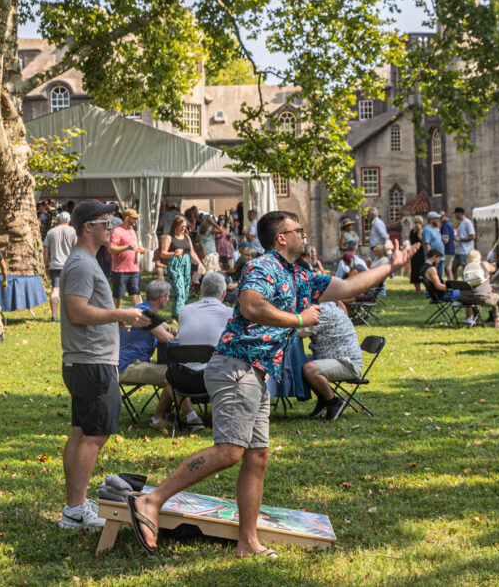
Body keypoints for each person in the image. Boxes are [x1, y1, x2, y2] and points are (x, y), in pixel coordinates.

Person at [128, 210, 416, 556]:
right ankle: (152, 500)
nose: (304, 235)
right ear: (282, 237)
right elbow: (250, 304)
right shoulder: (263, 266)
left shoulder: (300, 275)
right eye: (299, 230)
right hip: (237, 366)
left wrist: (390, 265)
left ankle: (247, 542)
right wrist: (297, 319)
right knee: (229, 451)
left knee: (257, 456)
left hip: (258, 372)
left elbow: (350, 287)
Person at [58, 200, 151, 531]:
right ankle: (75, 510)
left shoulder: (87, 261)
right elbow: (78, 312)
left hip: (86, 360)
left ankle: (75, 506)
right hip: (91, 362)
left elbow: (88, 311)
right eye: (105, 222)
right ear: (88, 227)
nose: (111, 227)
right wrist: (122, 314)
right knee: (95, 435)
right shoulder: (82, 264)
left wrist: (115, 321)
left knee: (81, 432)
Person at [117, 280, 203, 431]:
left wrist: (169, 327)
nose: (169, 299)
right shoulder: (145, 314)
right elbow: (166, 338)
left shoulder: (144, 309)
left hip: (135, 362)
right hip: (127, 366)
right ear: (162, 298)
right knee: (172, 374)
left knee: (173, 370)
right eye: (168, 296)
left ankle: (164, 414)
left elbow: (165, 327)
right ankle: (189, 418)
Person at [301, 301, 363, 419]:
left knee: (309, 369)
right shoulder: (326, 306)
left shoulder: (323, 310)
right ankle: (323, 399)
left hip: (348, 364)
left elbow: (301, 332)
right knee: (300, 361)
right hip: (331, 358)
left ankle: (333, 402)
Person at [160, 215, 205, 319]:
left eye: (185, 226)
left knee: (185, 290)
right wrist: (173, 253)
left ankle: (177, 315)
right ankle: (179, 316)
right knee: (179, 290)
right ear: (175, 226)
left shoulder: (187, 237)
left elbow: (192, 252)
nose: (184, 228)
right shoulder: (169, 237)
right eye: (182, 226)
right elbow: (162, 254)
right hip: (174, 265)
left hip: (186, 264)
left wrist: (199, 263)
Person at [108, 208, 146, 308]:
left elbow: (133, 247)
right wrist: (126, 247)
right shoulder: (117, 231)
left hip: (134, 269)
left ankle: (141, 318)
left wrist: (139, 250)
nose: (136, 221)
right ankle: (115, 319)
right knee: (117, 296)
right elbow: (111, 249)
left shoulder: (132, 230)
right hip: (120, 270)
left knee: (137, 293)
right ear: (127, 218)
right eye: (134, 218)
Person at [43, 211, 77, 322]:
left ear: (59, 220)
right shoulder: (74, 232)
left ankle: (54, 315)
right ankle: (69, 315)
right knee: (70, 291)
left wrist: (46, 265)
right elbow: (77, 249)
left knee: (55, 290)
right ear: (69, 221)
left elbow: (46, 251)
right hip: (70, 266)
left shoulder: (51, 232)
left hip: (55, 265)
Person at [460, 250, 499, 326]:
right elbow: (494, 268)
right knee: (497, 297)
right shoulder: (484, 264)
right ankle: (497, 322)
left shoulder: (466, 267)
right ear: (479, 257)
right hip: (482, 298)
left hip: (465, 298)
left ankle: (478, 320)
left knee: (475, 299)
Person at [453, 207, 476, 280]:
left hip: (466, 250)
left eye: (456, 214)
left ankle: (466, 284)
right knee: (453, 268)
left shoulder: (467, 222)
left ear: (459, 213)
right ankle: (455, 284)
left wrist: (460, 239)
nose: (455, 216)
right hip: (459, 250)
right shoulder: (460, 223)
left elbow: (473, 236)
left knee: (465, 269)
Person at [422, 211, 445, 278]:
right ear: (432, 219)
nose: (438, 220)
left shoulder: (436, 229)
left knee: (440, 277)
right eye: (437, 218)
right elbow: (427, 244)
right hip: (434, 259)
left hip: (440, 257)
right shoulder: (427, 230)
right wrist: (431, 258)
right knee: (434, 278)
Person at [408, 216, 426, 293]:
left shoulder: (411, 231)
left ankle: (417, 289)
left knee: (414, 270)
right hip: (419, 251)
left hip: (413, 251)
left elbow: (410, 241)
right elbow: (421, 239)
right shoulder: (420, 230)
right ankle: (423, 288)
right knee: (421, 269)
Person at [439, 211, 456, 278]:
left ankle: (441, 284)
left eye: (441, 216)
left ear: (446, 217)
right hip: (451, 250)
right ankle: (452, 285)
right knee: (448, 269)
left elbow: (445, 239)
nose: (439, 218)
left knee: (442, 269)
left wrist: (440, 243)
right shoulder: (449, 224)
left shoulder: (445, 225)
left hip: (446, 250)